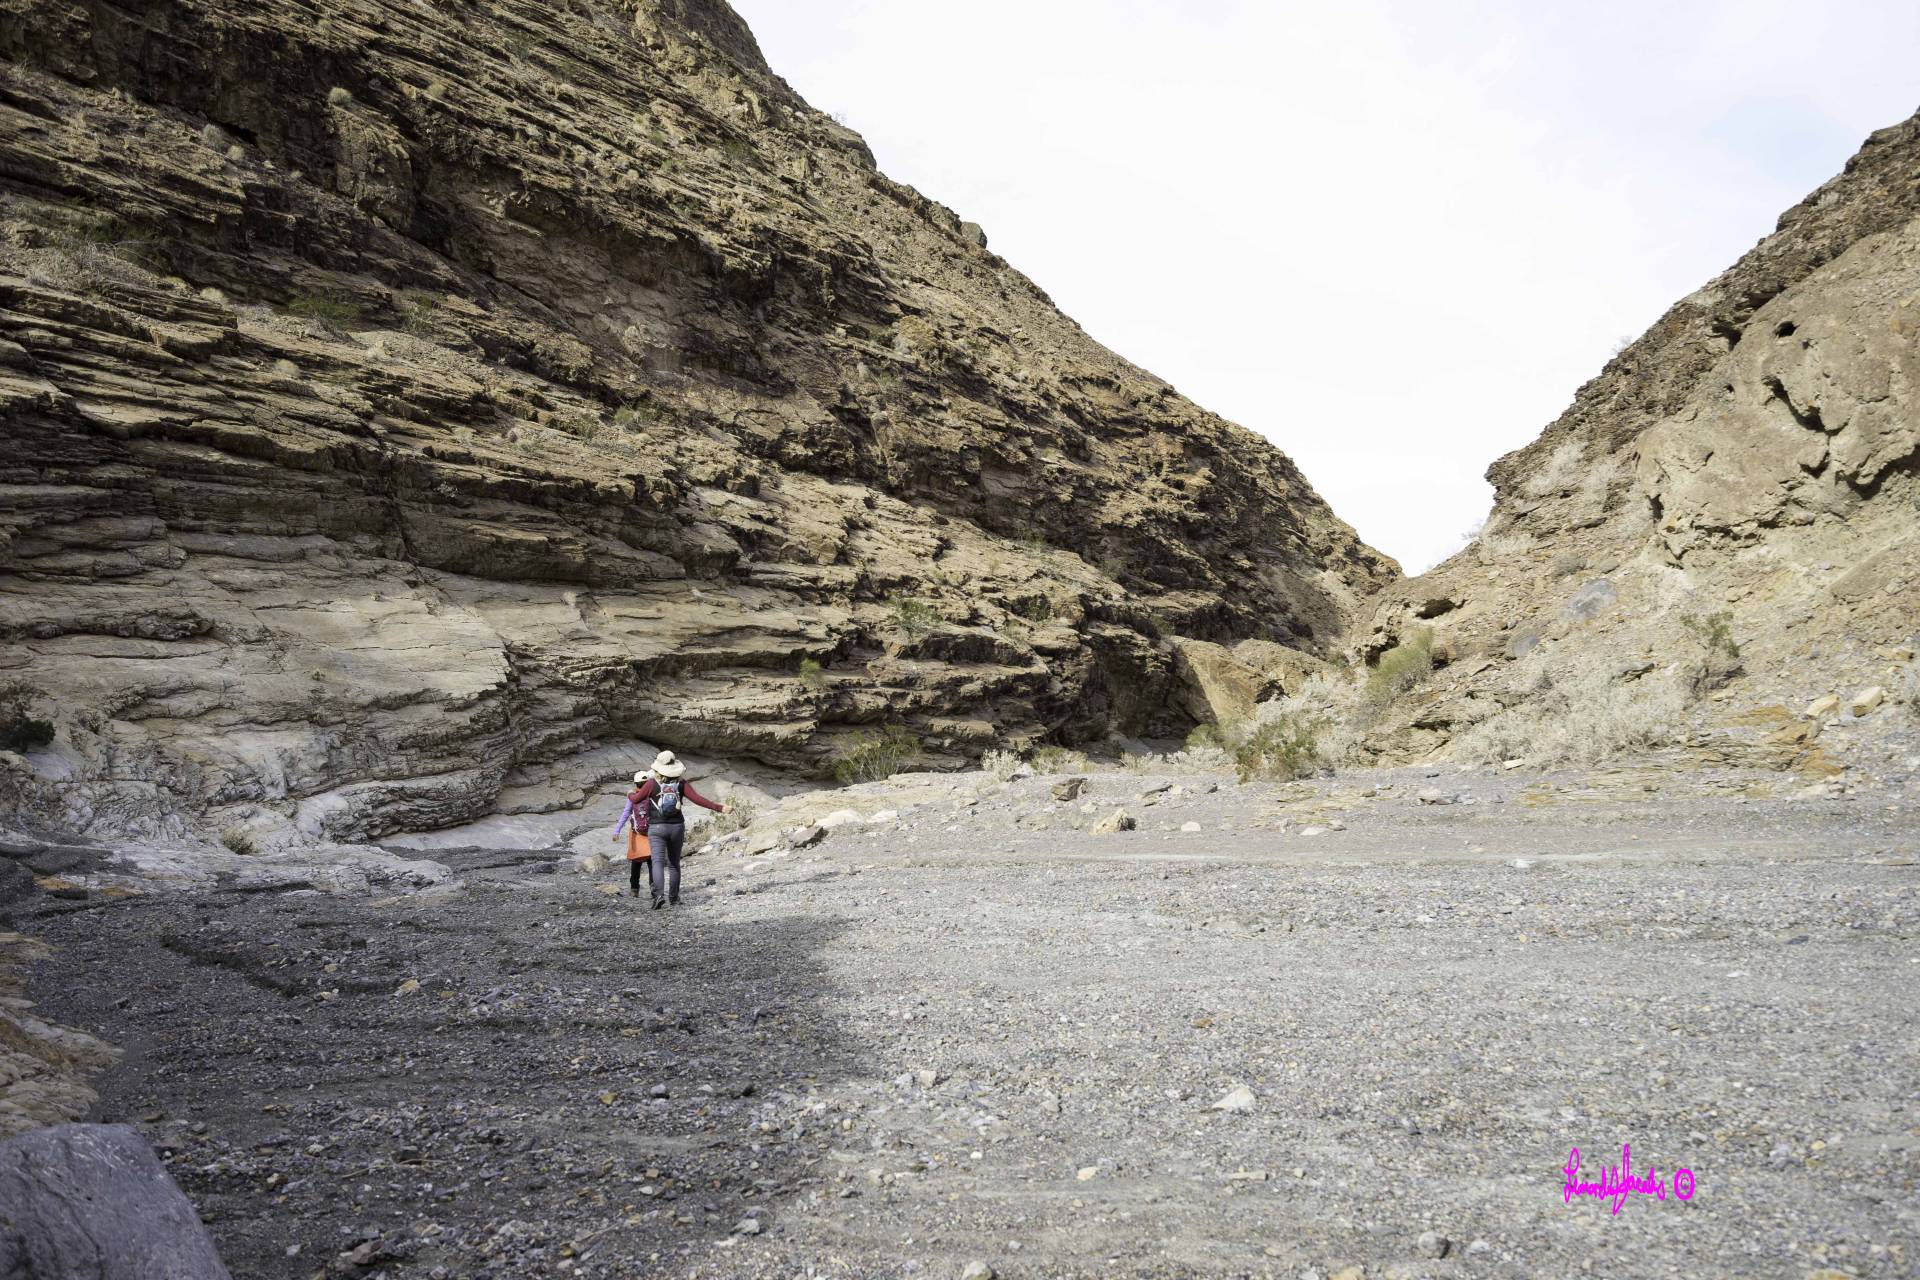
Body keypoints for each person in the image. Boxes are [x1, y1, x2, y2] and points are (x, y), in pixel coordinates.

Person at [614, 749, 725, 909]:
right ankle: (674, 898)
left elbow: (637, 799)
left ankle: (658, 896)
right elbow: (698, 800)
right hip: (676, 827)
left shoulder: (651, 784)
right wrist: (719, 808)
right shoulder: (681, 783)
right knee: (674, 864)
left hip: (656, 828)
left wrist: (630, 794)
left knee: (658, 862)